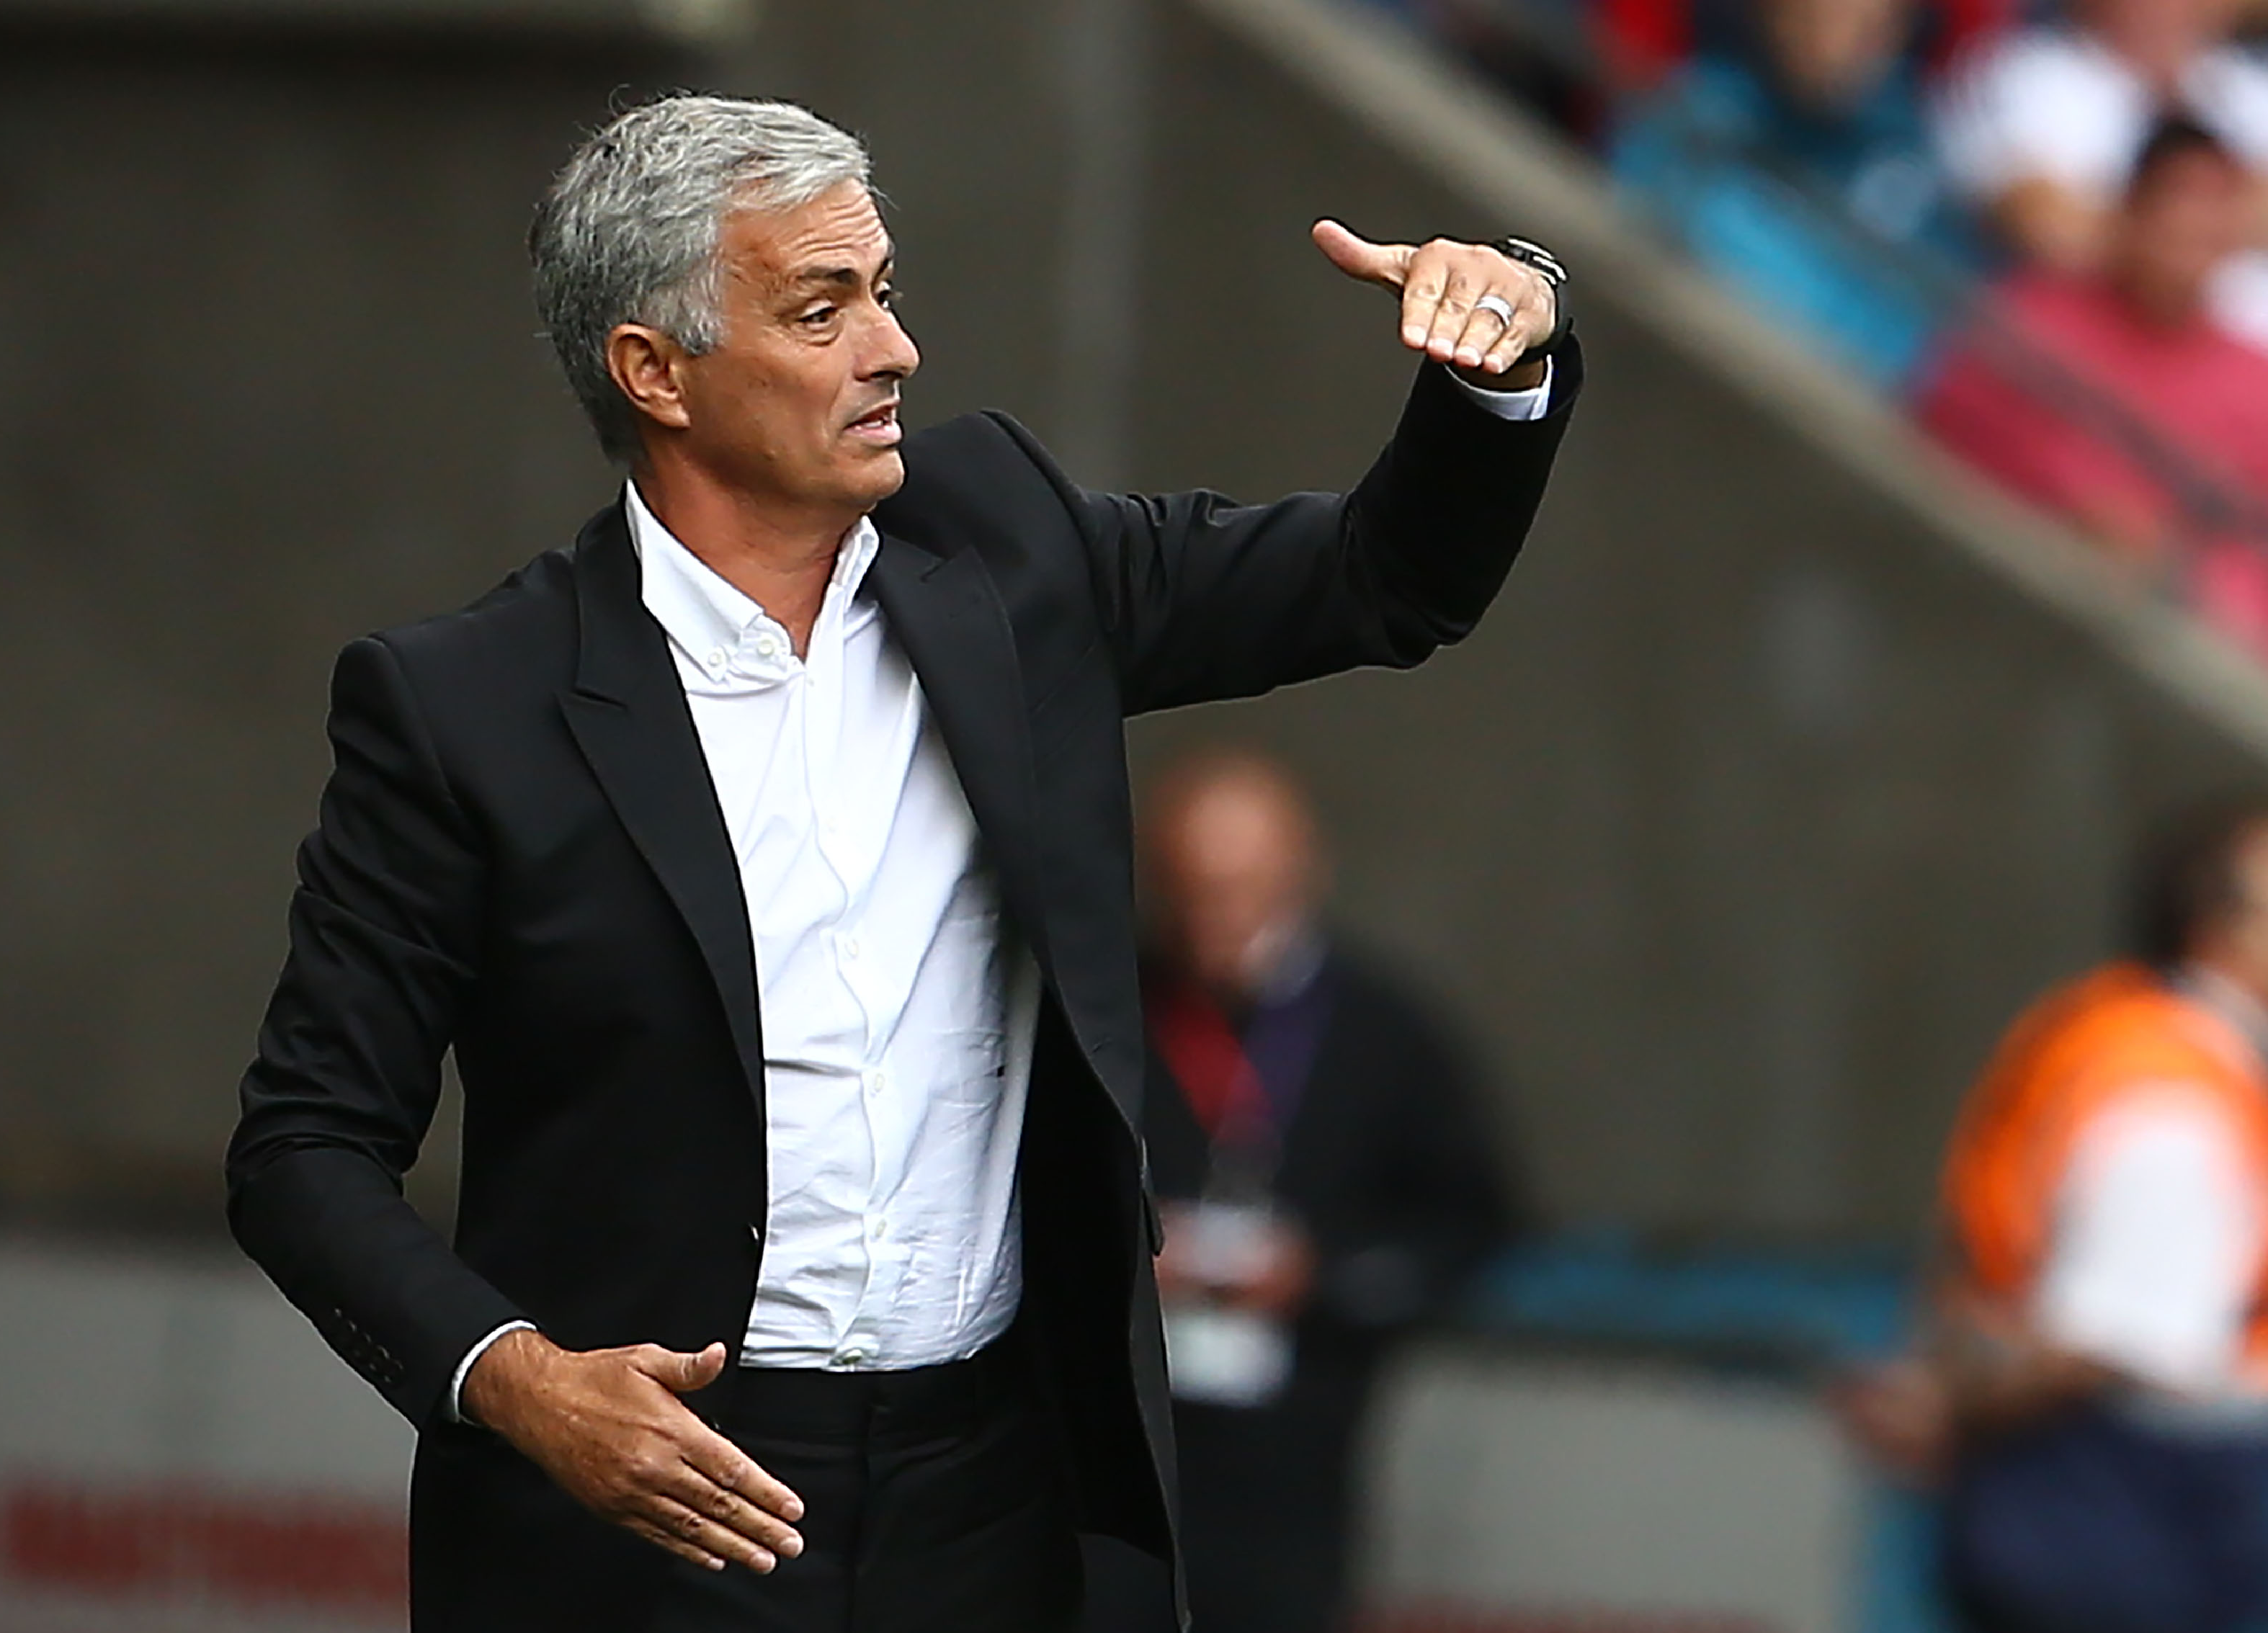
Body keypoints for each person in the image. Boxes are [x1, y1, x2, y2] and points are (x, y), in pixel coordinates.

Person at [222, 94, 1581, 1632]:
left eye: (885, 290)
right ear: (652, 372)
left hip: (997, 1492)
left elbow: (1378, 579)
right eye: (822, 307)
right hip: (647, 1505)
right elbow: (303, 1152)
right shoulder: (465, 702)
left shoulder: (1008, 547)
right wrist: (523, 1384)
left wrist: (1505, 353)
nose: (893, 350)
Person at [1840, 800, 2268, 1633]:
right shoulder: (2168, 1087)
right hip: (2142, 1498)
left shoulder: (2110, 1033)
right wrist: (1956, 1405)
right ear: (2217, 927)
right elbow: (2118, 1333)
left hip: (2090, 1488)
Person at [1125, 751, 1517, 1633]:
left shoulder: (1384, 1031)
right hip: (1121, 1446)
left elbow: (1469, 1222)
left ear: (1300, 874)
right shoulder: (1113, 1008)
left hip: (1297, 1451)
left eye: (1241, 892)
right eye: (1192, 893)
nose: (1215, 921)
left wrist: (1324, 1275)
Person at [1918, 117, 2268, 654]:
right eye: (2179, 200)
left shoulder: (2255, 385)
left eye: (2215, 209)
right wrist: (2073, 509)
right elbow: (1937, 424)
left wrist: (2176, 573)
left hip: (2159, 666)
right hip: (1978, 600)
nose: (2193, 227)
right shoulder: (2036, 310)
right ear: (2132, 209)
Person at [1610, 0, 1982, 389]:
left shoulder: (1910, 160)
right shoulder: (1702, 101)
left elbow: (1907, 341)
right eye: (1833, 14)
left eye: (1879, 22)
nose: (1849, 39)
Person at [1932, 0, 2268, 350]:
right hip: (2079, 355)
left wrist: (2152, 231)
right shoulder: (2026, 74)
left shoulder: (2250, 89)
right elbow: (2050, 230)